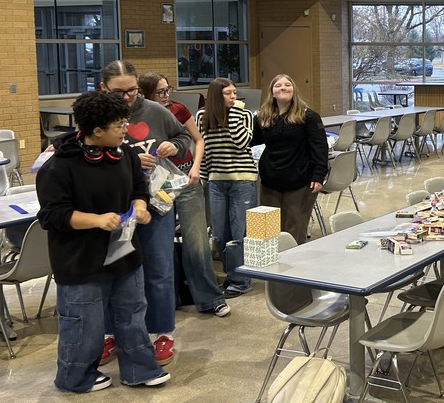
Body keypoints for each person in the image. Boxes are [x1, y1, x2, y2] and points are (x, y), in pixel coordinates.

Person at [35, 91, 169, 392]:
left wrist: (140, 206)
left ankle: (139, 369)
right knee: (85, 324)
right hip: (80, 260)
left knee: (133, 315)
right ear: (97, 131)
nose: (126, 130)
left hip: (125, 254)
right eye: (119, 125)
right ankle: (75, 377)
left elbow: (139, 189)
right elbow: (52, 216)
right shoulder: (57, 167)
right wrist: (95, 220)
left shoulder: (127, 157)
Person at [100, 60, 191, 368]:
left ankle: (162, 332)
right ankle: (110, 334)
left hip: (156, 205)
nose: (127, 97)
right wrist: (128, 162)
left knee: (159, 270)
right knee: (114, 270)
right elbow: (88, 154)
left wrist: (171, 146)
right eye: (119, 92)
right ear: (104, 88)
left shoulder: (155, 111)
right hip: (114, 206)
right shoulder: (99, 115)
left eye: (132, 90)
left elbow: (184, 139)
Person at [139, 73, 229, 317]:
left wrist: (197, 167)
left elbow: (196, 140)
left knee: (197, 241)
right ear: (146, 93)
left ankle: (210, 298)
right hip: (156, 186)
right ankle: (168, 301)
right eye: (160, 92)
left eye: (168, 90)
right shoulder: (140, 115)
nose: (166, 96)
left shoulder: (177, 109)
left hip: (187, 178)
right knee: (161, 245)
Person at [197, 78, 258, 297]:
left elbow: (242, 143)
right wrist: (203, 179)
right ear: (216, 96)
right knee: (220, 234)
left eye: (235, 93)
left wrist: (232, 113)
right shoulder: (202, 116)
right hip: (216, 180)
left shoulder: (244, 115)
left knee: (238, 232)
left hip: (242, 179)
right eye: (228, 93)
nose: (234, 97)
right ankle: (231, 273)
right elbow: (202, 150)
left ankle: (241, 280)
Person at [252, 74, 327, 246]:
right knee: (268, 228)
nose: (283, 88)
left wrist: (318, 174)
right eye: (278, 85)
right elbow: (251, 139)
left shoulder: (308, 116)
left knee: (294, 227)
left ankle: (294, 267)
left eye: (287, 85)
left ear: (294, 90)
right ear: (272, 91)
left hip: (300, 180)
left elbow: (319, 148)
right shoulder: (264, 117)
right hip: (271, 179)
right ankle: (269, 268)